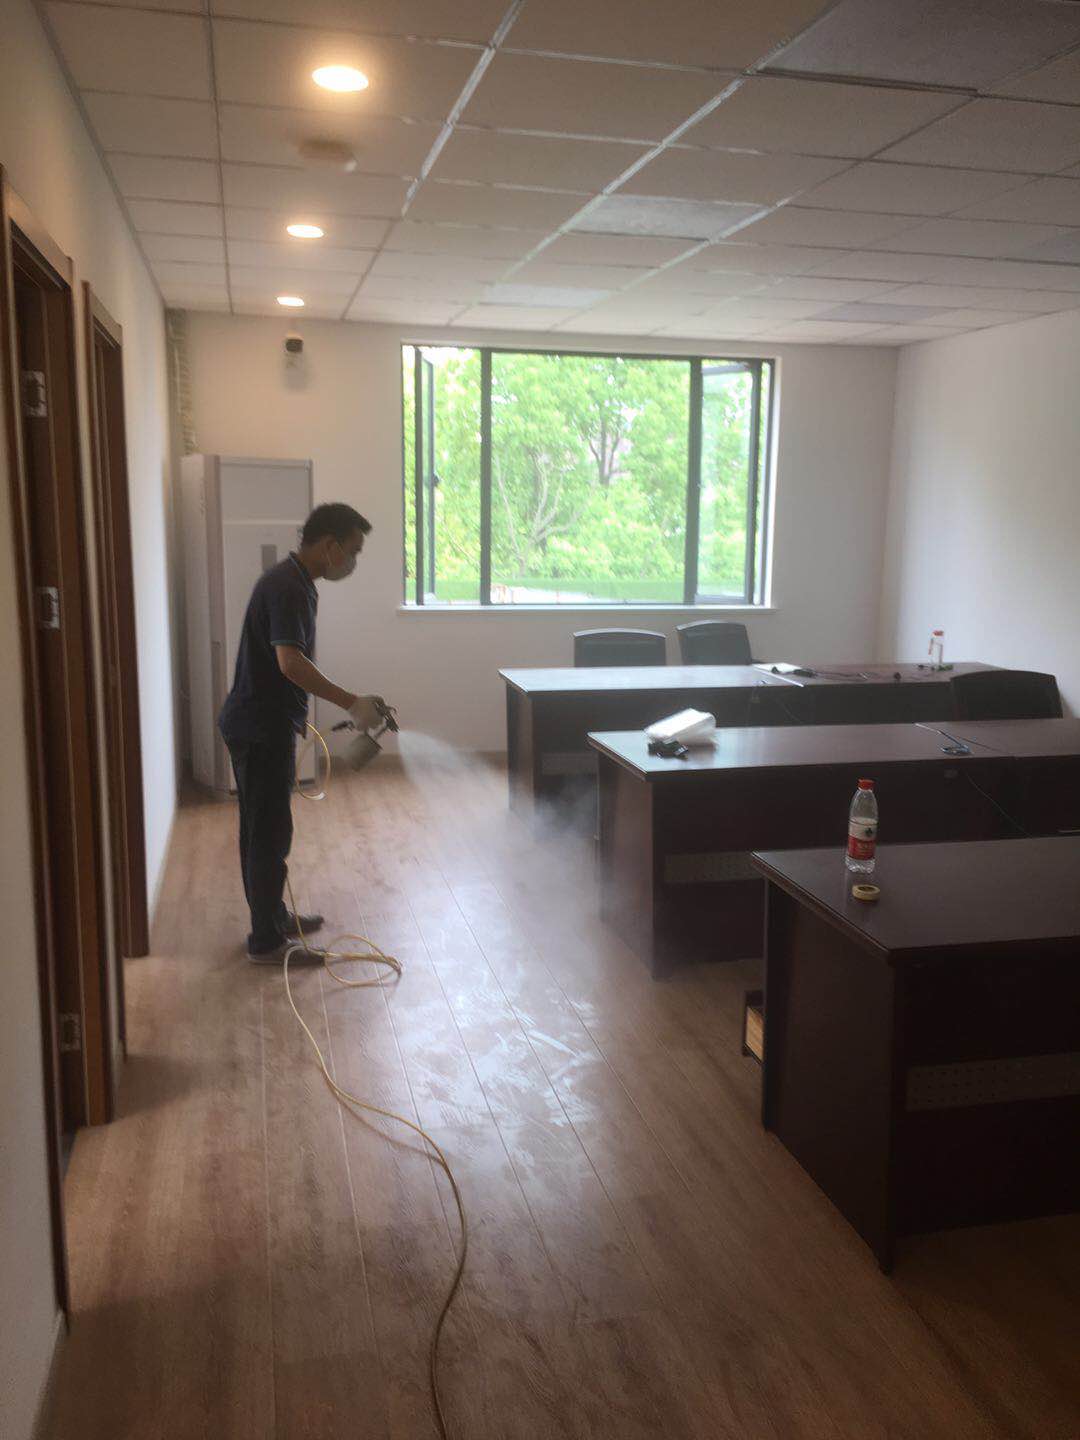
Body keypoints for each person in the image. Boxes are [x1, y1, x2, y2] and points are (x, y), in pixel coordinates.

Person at [218, 502, 381, 963]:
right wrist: (351, 702)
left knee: (264, 830)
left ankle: (271, 917)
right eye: (353, 551)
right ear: (330, 546)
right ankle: (267, 942)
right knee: (268, 835)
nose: (353, 561)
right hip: (259, 729)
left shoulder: (295, 582)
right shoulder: (288, 587)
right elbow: (290, 663)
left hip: (260, 724)